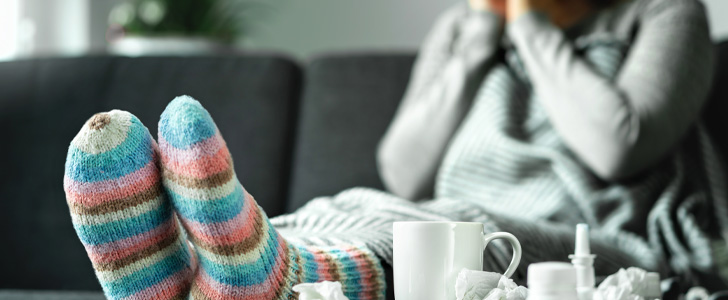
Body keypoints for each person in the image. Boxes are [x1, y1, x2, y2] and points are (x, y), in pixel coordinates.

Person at [62, 0, 727, 299]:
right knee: (349, 200)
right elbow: (402, 169)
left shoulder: (665, 13)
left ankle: (273, 281)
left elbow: (619, 146)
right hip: (445, 208)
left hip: (591, 239)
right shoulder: (461, 30)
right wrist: (471, 48)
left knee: (455, 235)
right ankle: (199, 284)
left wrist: (526, 22)